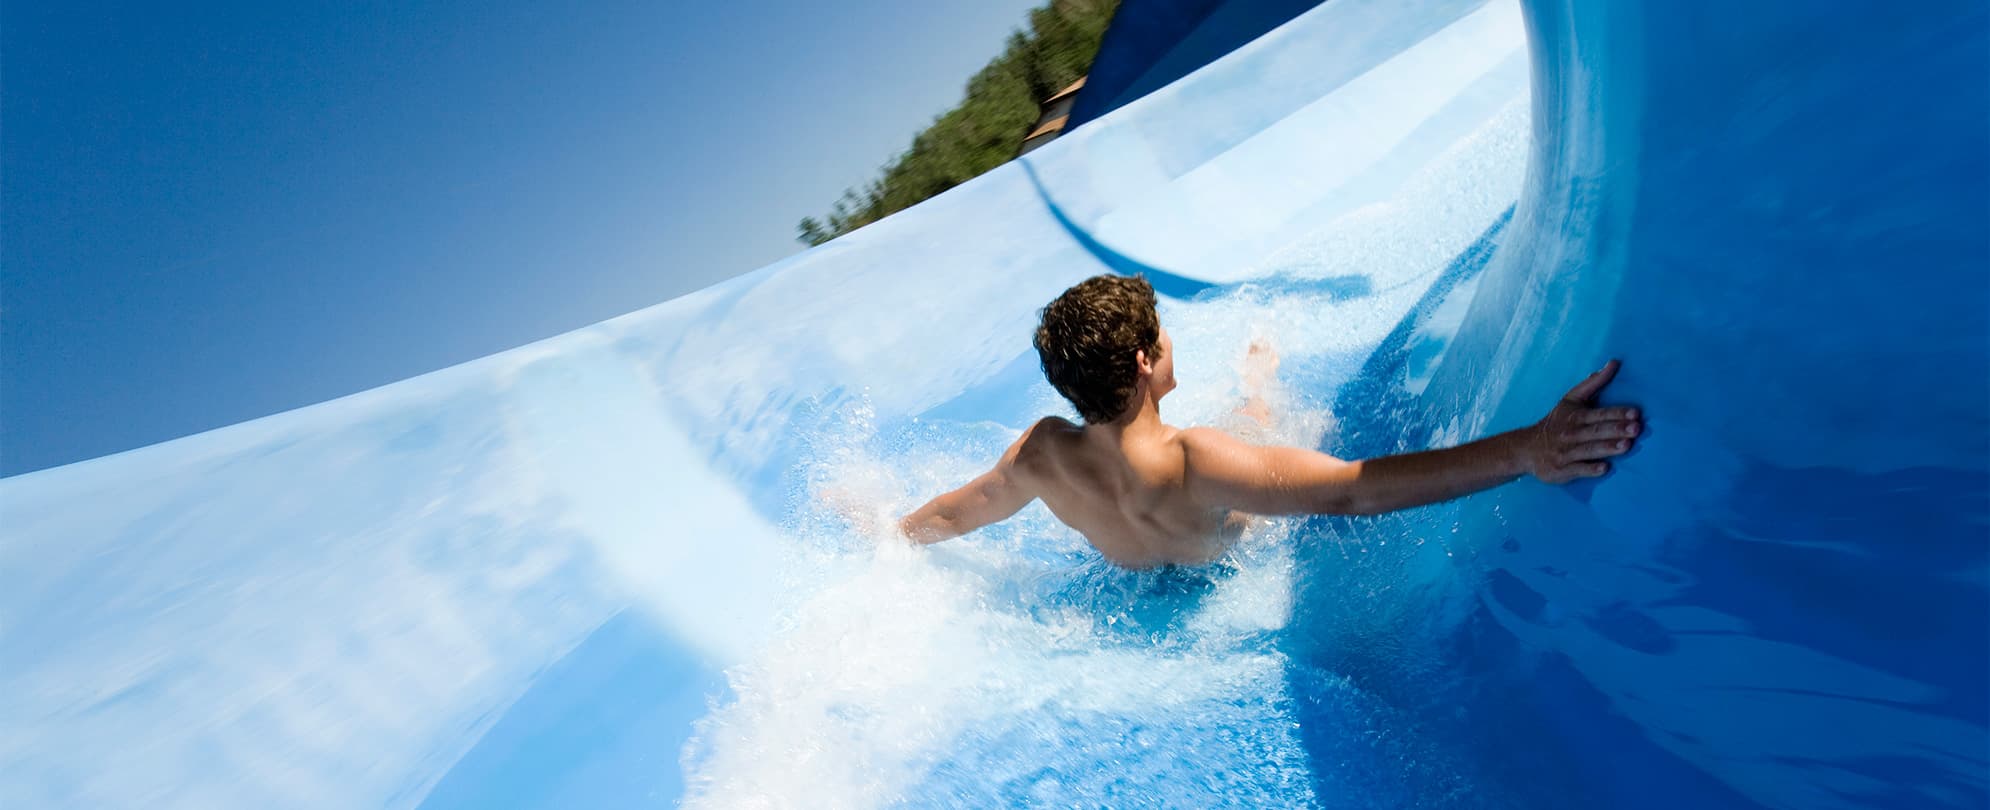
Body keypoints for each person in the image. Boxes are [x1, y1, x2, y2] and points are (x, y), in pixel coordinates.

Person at [889, 274, 1643, 569]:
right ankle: (1261, 381)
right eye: (1163, 334)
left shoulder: (1040, 455)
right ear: (1149, 360)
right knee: (1263, 428)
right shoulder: (1198, 461)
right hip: (1224, 550)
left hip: (1134, 578)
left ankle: (1259, 383)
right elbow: (1353, 492)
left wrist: (891, 540)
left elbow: (965, 511)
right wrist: (1529, 449)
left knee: (1245, 431)